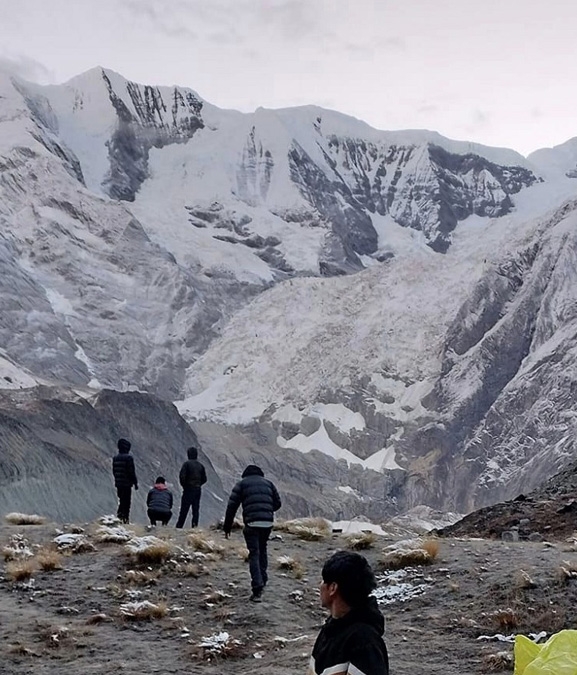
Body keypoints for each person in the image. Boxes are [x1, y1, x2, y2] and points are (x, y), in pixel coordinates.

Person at [309, 551, 389, 675]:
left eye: (324, 580)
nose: (320, 585)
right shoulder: (332, 628)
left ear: (333, 588)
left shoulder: (364, 642)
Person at [222, 464, 281, 602]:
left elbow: (232, 506)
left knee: (254, 553)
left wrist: (227, 526)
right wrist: (266, 509)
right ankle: (263, 578)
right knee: (263, 548)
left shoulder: (242, 484)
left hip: (252, 523)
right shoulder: (269, 484)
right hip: (267, 523)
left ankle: (257, 587)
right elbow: (278, 503)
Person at [175, 446, 207, 529]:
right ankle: (194, 527)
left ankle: (179, 526)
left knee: (184, 509)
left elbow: (182, 476)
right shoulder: (201, 466)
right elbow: (204, 479)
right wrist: (199, 484)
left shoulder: (186, 464)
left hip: (188, 489)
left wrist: (184, 486)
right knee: (195, 510)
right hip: (197, 489)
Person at [112, 438, 138, 524]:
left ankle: (120, 516)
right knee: (126, 502)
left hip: (119, 483)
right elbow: (131, 471)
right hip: (126, 484)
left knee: (121, 500)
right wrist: (135, 482)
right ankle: (125, 519)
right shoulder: (128, 458)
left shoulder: (115, 458)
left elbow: (114, 471)